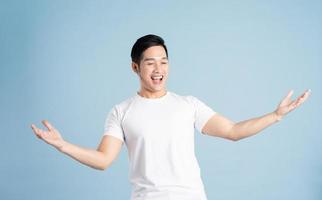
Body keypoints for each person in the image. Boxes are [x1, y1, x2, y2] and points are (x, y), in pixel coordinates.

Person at [31, 34, 311, 200]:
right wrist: (62, 144)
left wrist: (276, 115)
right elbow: (103, 160)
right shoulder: (122, 111)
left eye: (163, 61)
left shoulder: (188, 105)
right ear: (135, 67)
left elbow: (233, 131)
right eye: (150, 62)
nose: (158, 68)